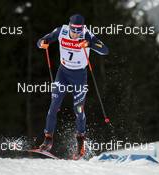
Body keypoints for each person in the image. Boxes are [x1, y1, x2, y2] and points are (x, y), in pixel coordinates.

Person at [37, 14, 108, 157]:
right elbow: (41, 40)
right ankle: (48, 140)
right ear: (69, 26)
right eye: (73, 30)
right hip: (62, 74)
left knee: (79, 109)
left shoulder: (87, 33)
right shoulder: (61, 31)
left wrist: (89, 44)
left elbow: (105, 50)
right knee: (54, 106)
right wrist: (42, 43)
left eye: (78, 30)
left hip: (79, 76)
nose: (76, 33)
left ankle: (81, 143)